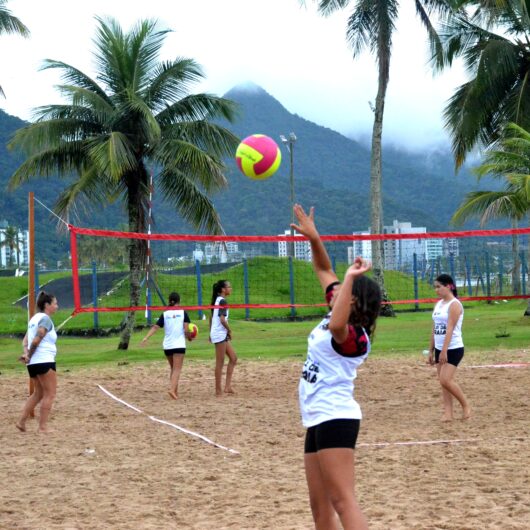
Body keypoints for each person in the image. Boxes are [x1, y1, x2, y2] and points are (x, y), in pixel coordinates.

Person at [292, 204, 381, 530]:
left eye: (343, 291)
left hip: (336, 417)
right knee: (320, 509)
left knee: (343, 500)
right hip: (317, 418)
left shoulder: (352, 335)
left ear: (353, 300)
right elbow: (322, 269)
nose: (333, 292)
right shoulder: (337, 312)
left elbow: (338, 326)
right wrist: (315, 239)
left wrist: (349, 277)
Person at [428, 273, 471, 421]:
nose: (436, 290)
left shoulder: (455, 304)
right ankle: (448, 413)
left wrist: (444, 350)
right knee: (442, 383)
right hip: (440, 348)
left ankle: (466, 406)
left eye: (439, 287)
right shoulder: (439, 304)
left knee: (446, 380)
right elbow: (434, 328)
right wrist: (431, 350)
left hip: (453, 348)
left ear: (448, 286)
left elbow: (450, 328)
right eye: (435, 287)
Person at [16, 291, 59, 434]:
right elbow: (37, 339)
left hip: (33, 363)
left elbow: (25, 341)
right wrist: (29, 354)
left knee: (38, 393)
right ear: (47, 305)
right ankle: (42, 427)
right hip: (43, 360)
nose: (57, 306)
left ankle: (21, 422)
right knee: (50, 394)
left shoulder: (34, 319)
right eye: (55, 303)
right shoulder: (45, 319)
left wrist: (26, 354)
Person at [141, 292, 193, 400]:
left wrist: (146, 337)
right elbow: (186, 330)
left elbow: (155, 327)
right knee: (177, 369)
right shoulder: (183, 313)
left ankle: (175, 391)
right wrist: (190, 337)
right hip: (179, 345)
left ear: (169, 301)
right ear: (179, 301)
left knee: (173, 369)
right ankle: (172, 390)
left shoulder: (165, 314)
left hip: (167, 346)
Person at [209, 279, 237, 396]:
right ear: (223, 289)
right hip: (220, 334)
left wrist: (210, 332)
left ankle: (227, 387)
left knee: (233, 358)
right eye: (228, 287)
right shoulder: (222, 301)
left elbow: (211, 317)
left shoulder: (217, 300)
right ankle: (218, 390)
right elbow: (221, 319)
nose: (230, 288)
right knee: (220, 363)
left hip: (220, 333)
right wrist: (229, 330)